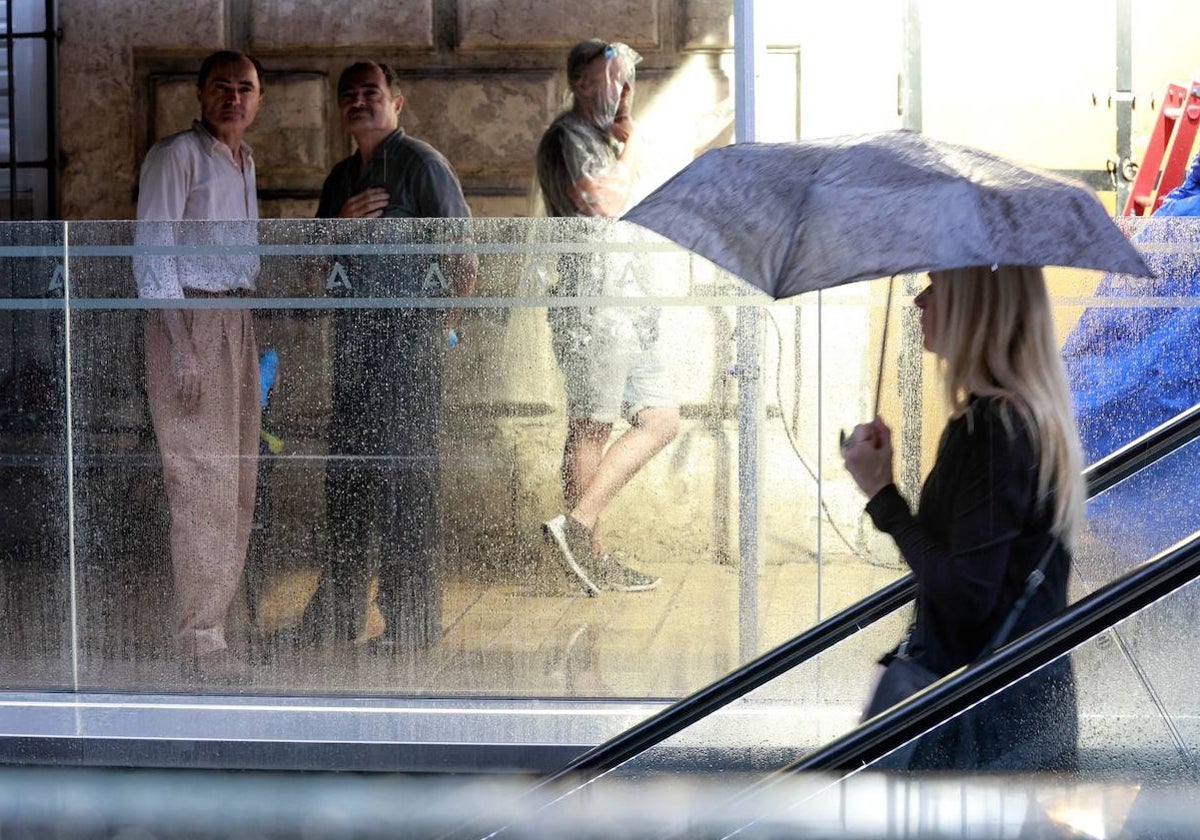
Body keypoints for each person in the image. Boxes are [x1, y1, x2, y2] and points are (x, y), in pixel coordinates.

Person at [842, 265, 1082, 771]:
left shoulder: (997, 430)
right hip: (1012, 713)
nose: (919, 301)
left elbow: (966, 594)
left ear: (975, 303)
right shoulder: (998, 418)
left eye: (936, 285)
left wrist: (883, 497)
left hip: (993, 729)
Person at [296, 61, 475, 655]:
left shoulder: (422, 164)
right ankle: (336, 613)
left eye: (370, 93)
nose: (358, 103)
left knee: (406, 485)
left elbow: (464, 257)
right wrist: (340, 229)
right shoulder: (340, 177)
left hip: (409, 355)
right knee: (346, 480)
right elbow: (313, 269)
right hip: (352, 352)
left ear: (397, 101)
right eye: (347, 96)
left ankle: (412, 622)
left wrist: (441, 332)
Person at [132, 50, 265, 683]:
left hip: (237, 322)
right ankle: (198, 637)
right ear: (200, 93)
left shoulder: (244, 161)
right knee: (199, 482)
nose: (233, 98)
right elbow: (153, 251)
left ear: (258, 99)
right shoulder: (176, 155)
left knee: (237, 481)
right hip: (190, 324)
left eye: (245, 88)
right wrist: (182, 345)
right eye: (222, 87)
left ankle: (217, 621)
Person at [536, 39, 679, 595]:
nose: (624, 91)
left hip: (629, 306)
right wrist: (636, 144)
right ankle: (585, 553)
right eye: (612, 80)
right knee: (591, 424)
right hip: (591, 306)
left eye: (627, 80)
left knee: (661, 419)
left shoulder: (605, 138)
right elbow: (603, 202)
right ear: (582, 84)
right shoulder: (568, 137)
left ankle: (576, 527)